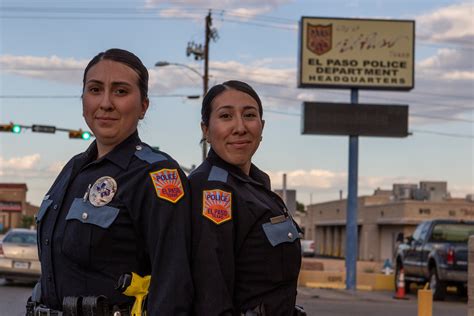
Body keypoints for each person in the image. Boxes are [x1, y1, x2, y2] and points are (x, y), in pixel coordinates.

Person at [28, 48, 193, 315]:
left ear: (143, 106)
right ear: (83, 100)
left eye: (120, 91)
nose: (105, 103)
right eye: (95, 90)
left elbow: (173, 287)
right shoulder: (72, 169)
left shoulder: (157, 175)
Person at [189, 80, 304, 316]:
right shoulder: (213, 191)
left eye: (249, 115)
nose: (240, 127)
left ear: (262, 126)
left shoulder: (256, 184)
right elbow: (211, 299)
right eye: (226, 116)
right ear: (206, 130)